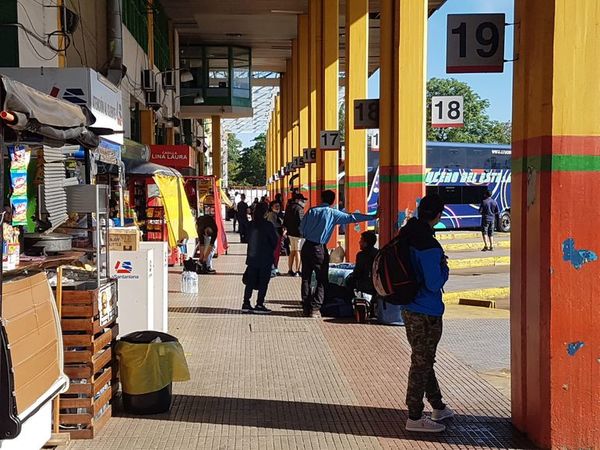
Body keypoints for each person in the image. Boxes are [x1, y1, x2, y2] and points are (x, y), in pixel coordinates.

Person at [398, 194, 452, 433]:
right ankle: (415, 416)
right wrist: (445, 268)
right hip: (427, 311)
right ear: (438, 215)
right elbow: (433, 282)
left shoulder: (407, 233)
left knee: (423, 358)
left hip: (408, 308)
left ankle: (438, 406)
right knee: (420, 363)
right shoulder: (428, 245)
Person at [299, 190, 377, 318]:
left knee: (306, 278)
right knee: (322, 279)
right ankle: (315, 308)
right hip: (319, 249)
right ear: (333, 201)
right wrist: (373, 216)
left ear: (321, 198)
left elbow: (301, 229)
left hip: (307, 246)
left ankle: (306, 307)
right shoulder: (333, 214)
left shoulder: (312, 211)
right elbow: (352, 217)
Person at [242, 202, 278, 314]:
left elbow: (246, 237)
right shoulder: (268, 225)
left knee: (250, 281)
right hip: (265, 258)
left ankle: (246, 303)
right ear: (266, 212)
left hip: (252, 258)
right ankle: (259, 304)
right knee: (263, 282)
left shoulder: (251, 224)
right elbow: (274, 241)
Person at [346, 230, 378, 294]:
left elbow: (357, 273)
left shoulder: (361, 255)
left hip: (365, 284)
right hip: (377, 284)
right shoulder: (378, 253)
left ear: (365, 243)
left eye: (361, 240)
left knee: (349, 281)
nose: (359, 242)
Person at [283, 193, 306, 276]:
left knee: (292, 251)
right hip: (298, 234)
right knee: (298, 251)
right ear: (298, 200)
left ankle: (290, 270)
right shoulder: (300, 209)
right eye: (302, 200)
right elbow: (301, 222)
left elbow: (285, 220)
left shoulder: (288, 207)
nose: (303, 202)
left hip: (290, 233)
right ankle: (298, 270)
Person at [265, 200, 284, 277]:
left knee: (276, 253)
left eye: (278, 206)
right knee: (274, 253)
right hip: (274, 236)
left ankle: (275, 268)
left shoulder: (277, 214)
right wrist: (282, 224)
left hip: (277, 236)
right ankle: (273, 269)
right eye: (276, 206)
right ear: (271, 207)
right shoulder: (271, 215)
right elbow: (274, 224)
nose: (277, 207)